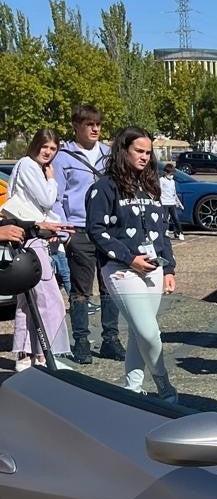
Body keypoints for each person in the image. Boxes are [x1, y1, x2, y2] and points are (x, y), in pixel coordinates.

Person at [85, 127, 178, 401]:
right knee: (149, 333)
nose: (145, 157)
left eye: (148, 152)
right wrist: (129, 258)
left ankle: (132, 390)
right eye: (139, 151)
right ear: (122, 150)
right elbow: (96, 230)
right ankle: (165, 386)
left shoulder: (151, 185)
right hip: (121, 269)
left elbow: (162, 231)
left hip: (154, 268)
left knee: (141, 332)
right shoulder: (103, 187)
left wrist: (169, 268)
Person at [52, 103, 123, 364]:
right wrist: (65, 233)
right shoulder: (63, 156)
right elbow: (57, 196)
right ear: (76, 126)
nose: (95, 128)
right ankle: (81, 340)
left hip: (108, 230)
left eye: (98, 124)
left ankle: (111, 340)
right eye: (89, 124)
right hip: (79, 230)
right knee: (81, 290)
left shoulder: (108, 154)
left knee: (111, 287)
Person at [4, 129, 71, 368]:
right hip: (28, 236)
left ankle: (26, 353)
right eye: (45, 147)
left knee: (29, 298)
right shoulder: (28, 165)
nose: (48, 152)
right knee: (49, 298)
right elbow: (46, 200)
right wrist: (51, 179)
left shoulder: (31, 167)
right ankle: (44, 352)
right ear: (35, 145)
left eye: (53, 149)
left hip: (32, 234)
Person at [160, 164, 185, 241]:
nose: (171, 176)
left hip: (172, 203)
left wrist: (180, 204)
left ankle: (179, 232)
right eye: (170, 174)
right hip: (164, 203)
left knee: (176, 218)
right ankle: (165, 231)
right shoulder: (161, 180)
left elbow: (174, 193)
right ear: (165, 173)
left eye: (172, 174)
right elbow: (159, 192)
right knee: (165, 219)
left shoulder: (173, 182)